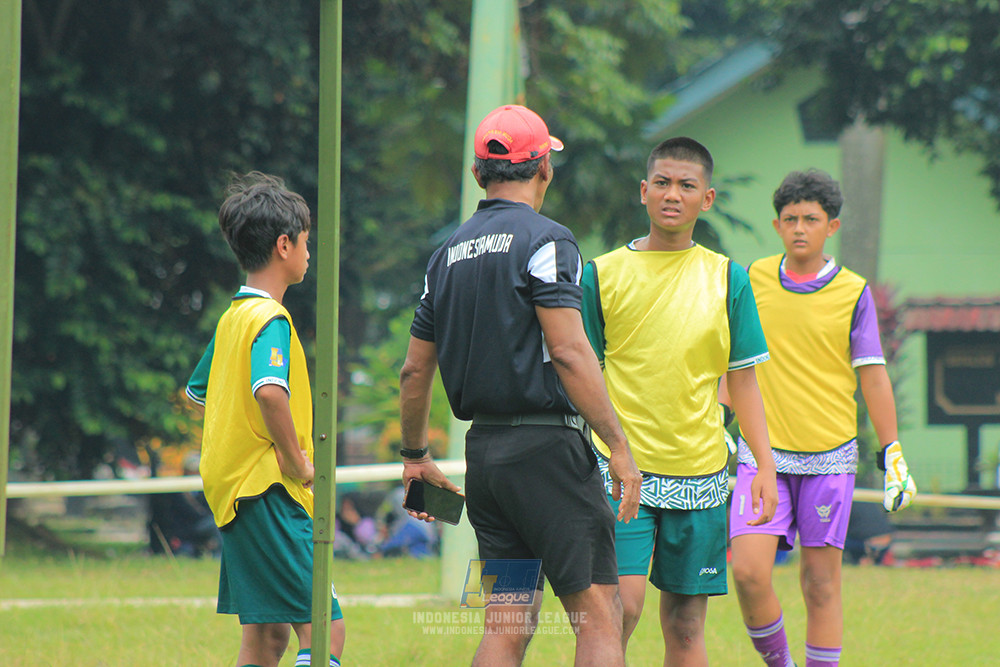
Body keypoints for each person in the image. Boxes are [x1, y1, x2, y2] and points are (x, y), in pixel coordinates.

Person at [398, 103, 643, 667]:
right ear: (544, 169)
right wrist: (617, 444)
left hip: (486, 459)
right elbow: (569, 351)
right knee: (599, 614)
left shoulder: (444, 257)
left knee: (507, 619)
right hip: (548, 453)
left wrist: (415, 456)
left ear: (477, 174)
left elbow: (413, 371)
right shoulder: (548, 240)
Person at [580, 136, 779, 666]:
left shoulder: (729, 278)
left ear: (706, 199)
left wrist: (764, 465)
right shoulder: (600, 274)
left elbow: (744, 382)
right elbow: (579, 373)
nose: (673, 195)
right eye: (663, 183)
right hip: (621, 471)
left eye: (686, 186)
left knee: (687, 626)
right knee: (619, 610)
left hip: (701, 475)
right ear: (643, 191)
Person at [726, 169, 917, 667]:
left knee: (820, 584)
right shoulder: (752, 279)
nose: (799, 228)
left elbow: (873, 376)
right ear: (776, 225)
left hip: (829, 457)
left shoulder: (853, 292)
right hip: (761, 455)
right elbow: (733, 364)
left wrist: (893, 452)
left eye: (811, 219)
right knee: (747, 572)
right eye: (790, 219)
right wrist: (718, 425)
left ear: (831, 226)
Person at [186, 172, 345, 667]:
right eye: (306, 241)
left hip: (234, 494)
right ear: (283, 245)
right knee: (326, 630)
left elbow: (199, 393)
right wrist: (294, 460)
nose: (309, 252)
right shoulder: (270, 320)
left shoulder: (232, 317)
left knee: (266, 639)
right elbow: (270, 392)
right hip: (269, 491)